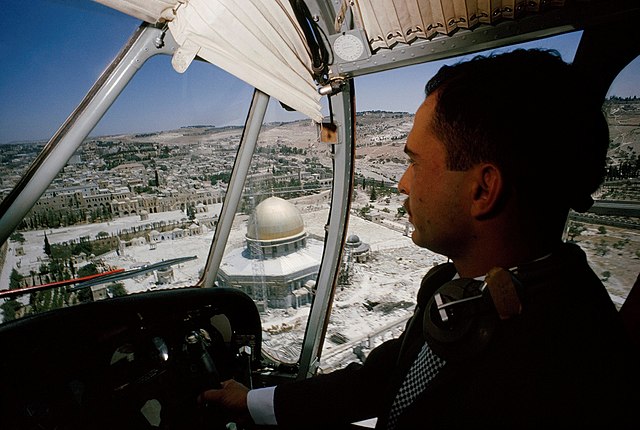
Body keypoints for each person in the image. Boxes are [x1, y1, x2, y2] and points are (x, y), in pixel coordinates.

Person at [201, 49, 638, 428]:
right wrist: (255, 401)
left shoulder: (564, 369)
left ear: (483, 190)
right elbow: (390, 373)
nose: (402, 184)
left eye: (415, 162)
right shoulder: (455, 286)